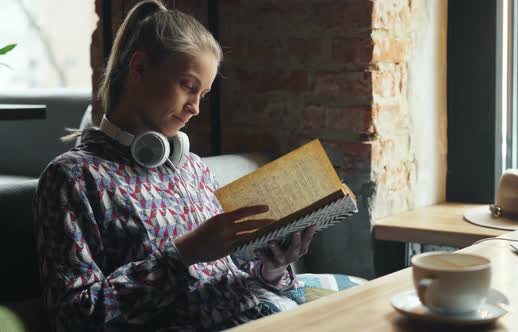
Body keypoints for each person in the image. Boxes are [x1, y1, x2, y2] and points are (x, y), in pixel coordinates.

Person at [33, 1, 315, 331]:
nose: (195, 107)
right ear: (139, 69)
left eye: (203, 94)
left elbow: (233, 271)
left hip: (271, 315)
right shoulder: (73, 179)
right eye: (188, 85)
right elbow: (74, 317)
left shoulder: (192, 168)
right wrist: (182, 255)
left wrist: (272, 267)